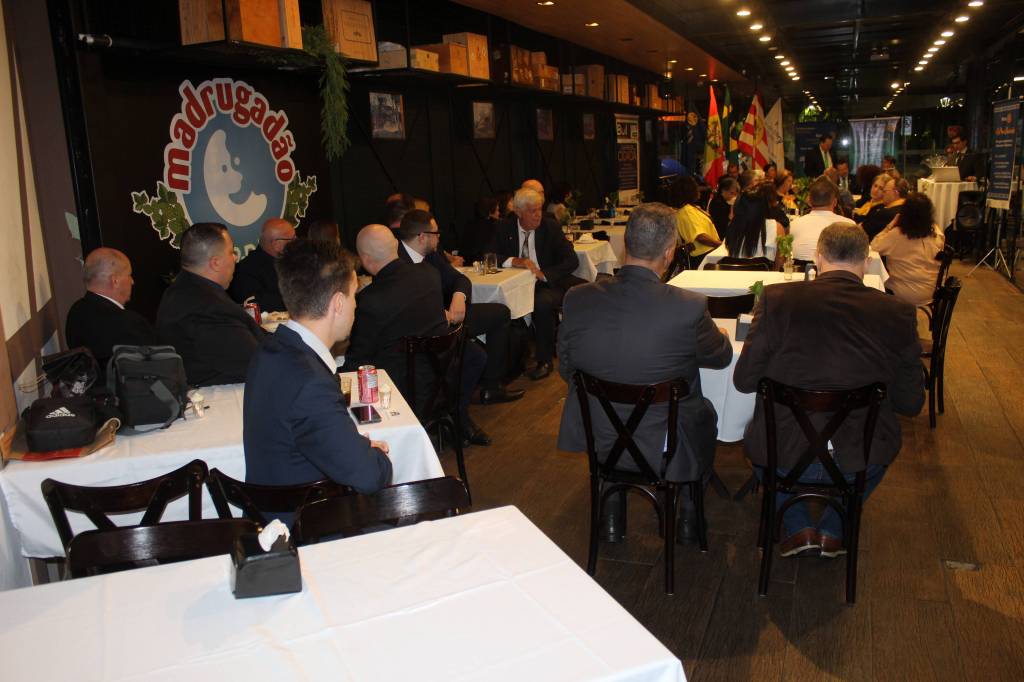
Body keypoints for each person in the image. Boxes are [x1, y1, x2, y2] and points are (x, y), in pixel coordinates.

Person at [734, 222, 924, 558]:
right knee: (885, 443)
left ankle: (798, 525)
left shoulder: (777, 300)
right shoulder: (898, 313)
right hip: (859, 458)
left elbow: (744, 380)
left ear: (818, 258)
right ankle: (833, 529)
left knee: (758, 444)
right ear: (867, 262)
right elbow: (910, 403)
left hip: (784, 453)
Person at [557, 202, 733, 543]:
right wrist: (722, 336)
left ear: (626, 245)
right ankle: (688, 515)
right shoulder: (688, 306)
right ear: (668, 253)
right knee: (705, 414)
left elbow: (567, 369)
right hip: (666, 440)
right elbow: (721, 357)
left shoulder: (577, 299)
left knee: (612, 416)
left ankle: (611, 515)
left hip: (600, 433)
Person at [243, 239, 392, 524]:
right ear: (338, 303)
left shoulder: (270, 349)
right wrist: (374, 454)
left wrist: (349, 446)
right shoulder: (310, 382)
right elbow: (370, 477)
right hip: (307, 525)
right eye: (354, 296)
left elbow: (306, 433)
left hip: (272, 509)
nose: (356, 305)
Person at [398, 209, 523, 408]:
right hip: (423, 329)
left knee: (500, 313)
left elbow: (459, 279)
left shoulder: (431, 254)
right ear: (422, 237)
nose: (439, 237)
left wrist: (459, 296)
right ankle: (455, 412)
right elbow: (404, 306)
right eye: (436, 233)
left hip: (449, 316)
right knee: (473, 357)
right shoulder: (397, 260)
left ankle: (491, 387)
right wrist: (439, 314)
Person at [341, 225, 451, 416]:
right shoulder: (430, 273)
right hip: (439, 377)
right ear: (396, 246)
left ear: (365, 259)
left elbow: (358, 360)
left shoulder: (371, 299)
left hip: (396, 391)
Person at [491, 187, 582, 380]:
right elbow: (488, 255)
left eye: (539, 209)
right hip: (515, 285)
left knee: (541, 303)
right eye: (532, 211)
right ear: (518, 212)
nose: (538, 215)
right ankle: (509, 363)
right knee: (499, 306)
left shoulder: (550, 227)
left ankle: (545, 360)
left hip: (548, 284)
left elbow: (572, 260)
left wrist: (545, 274)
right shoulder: (504, 227)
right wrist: (514, 260)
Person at [156, 222, 263, 386]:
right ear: (215, 263)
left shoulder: (182, 289)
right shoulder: (208, 306)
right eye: (231, 252)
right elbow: (255, 363)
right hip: (219, 392)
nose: (235, 258)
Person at [65, 247, 156, 378]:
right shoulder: (128, 323)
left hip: (91, 390)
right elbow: (154, 372)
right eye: (129, 275)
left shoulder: (75, 312)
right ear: (115, 280)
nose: (132, 281)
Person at [870, 192, 946, 306]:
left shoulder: (896, 235)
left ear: (904, 213)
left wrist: (890, 226)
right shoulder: (937, 234)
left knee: (874, 284)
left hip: (901, 293)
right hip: (931, 292)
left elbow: (874, 245)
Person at [228, 218, 295, 313]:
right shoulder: (246, 271)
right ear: (276, 244)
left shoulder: (295, 261)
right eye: (292, 239)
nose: (296, 242)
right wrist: (297, 299)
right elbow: (256, 305)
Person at [789, 178, 854, 261]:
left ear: (809, 201)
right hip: (836, 268)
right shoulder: (849, 225)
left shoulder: (793, 225)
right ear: (835, 202)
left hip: (800, 269)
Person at [723, 184, 781, 260]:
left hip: (736, 267)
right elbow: (780, 261)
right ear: (764, 207)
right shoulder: (776, 227)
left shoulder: (733, 227)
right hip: (764, 266)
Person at [675, 176, 721, 264]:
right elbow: (700, 237)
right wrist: (720, 245)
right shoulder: (687, 211)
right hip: (703, 256)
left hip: (708, 254)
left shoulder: (692, 208)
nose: (699, 190)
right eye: (696, 187)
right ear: (689, 191)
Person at [861, 175, 909, 241]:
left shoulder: (885, 213)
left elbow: (861, 231)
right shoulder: (908, 210)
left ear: (896, 193)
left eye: (884, 191)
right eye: (875, 186)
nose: (883, 194)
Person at [461, 195, 502, 263]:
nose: (499, 213)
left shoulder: (469, 224)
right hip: (483, 262)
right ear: (490, 212)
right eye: (497, 210)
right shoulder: (492, 226)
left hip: (466, 262)